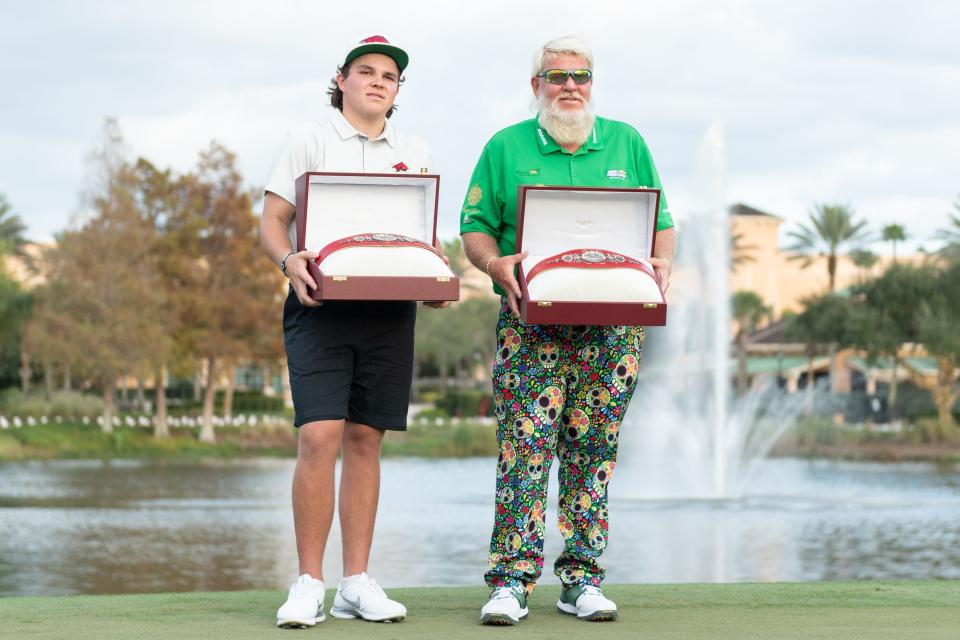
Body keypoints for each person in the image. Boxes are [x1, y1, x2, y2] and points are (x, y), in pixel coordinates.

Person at [459, 35, 676, 625]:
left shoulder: (626, 142)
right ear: (537, 87)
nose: (570, 86)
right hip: (531, 323)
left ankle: (581, 579)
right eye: (557, 77)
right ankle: (510, 582)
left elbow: (660, 222)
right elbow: (474, 227)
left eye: (581, 75)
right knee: (524, 450)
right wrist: (493, 264)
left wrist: (661, 263)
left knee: (594, 450)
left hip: (613, 329)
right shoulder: (504, 147)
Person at [260, 35, 446, 628]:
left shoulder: (413, 148)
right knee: (319, 436)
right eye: (365, 72)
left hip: (390, 311)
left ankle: (356, 583)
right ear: (341, 79)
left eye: (388, 77)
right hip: (319, 307)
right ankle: (309, 582)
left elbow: (420, 232)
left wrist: (434, 276)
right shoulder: (307, 139)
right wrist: (288, 263)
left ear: (396, 90)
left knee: (367, 440)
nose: (377, 82)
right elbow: (272, 222)